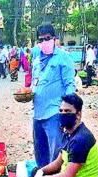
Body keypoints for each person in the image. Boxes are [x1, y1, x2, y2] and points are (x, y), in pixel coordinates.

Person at [31, 23, 76, 168]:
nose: (44, 42)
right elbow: (35, 82)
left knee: (55, 151)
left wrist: (68, 110)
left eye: (47, 38)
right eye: (41, 39)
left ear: (54, 39)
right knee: (40, 150)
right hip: (38, 113)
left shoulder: (63, 57)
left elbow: (70, 84)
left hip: (54, 113)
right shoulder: (37, 59)